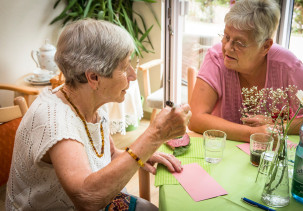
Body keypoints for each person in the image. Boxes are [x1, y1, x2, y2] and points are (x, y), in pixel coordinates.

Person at [6, 19, 191, 211]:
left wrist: (144, 154)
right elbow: (87, 198)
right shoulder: (56, 121)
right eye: (124, 67)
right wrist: (154, 136)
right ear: (93, 77)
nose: (132, 75)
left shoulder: (91, 100)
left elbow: (107, 154)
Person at [188, 0, 303, 142]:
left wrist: (277, 126)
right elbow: (194, 118)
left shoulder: (287, 65)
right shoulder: (216, 57)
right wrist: (252, 133)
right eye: (226, 37)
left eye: (239, 43)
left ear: (265, 46)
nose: (227, 48)